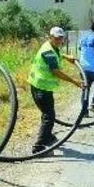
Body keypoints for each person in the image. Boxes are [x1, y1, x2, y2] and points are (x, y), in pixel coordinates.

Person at [28, 26, 82, 154]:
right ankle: (38, 147)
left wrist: (65, 56)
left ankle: (48, 137)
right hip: (40, 88)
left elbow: (56, 53)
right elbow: (55, 71)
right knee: (49, 116)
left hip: (43, 88)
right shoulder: (48, 51)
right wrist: (75, 82)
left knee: (49, 114)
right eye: (57, 38)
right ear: (50, 37)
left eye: (61, 38)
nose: (59, 41)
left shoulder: (51, 46)